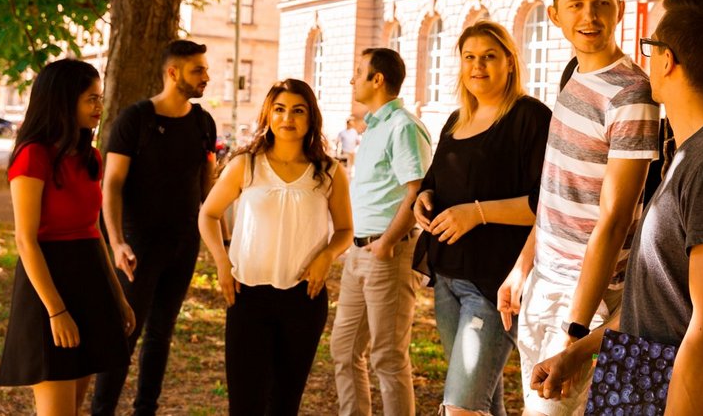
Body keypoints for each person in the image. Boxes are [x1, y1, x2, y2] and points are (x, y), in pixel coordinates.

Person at [531, 0, 703, 414]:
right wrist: (578, 352)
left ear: (666, 60)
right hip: (639, 384)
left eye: (647, 46)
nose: (642, 59)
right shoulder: (694, 155)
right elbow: (662, 302)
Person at [497, 0, 659, 415]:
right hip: (544, 282)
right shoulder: (573, 74)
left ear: (620, 8)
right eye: (576, 5)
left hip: (583, 297)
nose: (589, 17)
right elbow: (558, 189)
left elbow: (613, 217)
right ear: (555, 14)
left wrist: (576, 332)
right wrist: (522, 266)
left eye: (601, 3)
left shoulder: (632, 95)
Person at [414, 21, 552, 416]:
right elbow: (435, 180)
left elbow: (545, 202)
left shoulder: (531, 117)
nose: (478, 66)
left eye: (489, 56)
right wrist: (423, 198)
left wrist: (476, 214)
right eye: (470, 57)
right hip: (447, 278)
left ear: (509, 62)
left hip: (495, 284)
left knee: (459, 408)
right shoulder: (456, 120)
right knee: (482, 403)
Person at [198, 79, 353, 414]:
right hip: (247, 296)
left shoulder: (328, 172)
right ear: (268, 115)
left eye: (298, 110)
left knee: (284, 404)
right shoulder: (246, 165)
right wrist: (222, 263)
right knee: (245, 404)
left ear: (311, 118)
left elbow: (345, 230)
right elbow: (208, 214)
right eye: (280, 109)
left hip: (304, 298)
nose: (288, 118)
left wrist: (327, 255)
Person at [0, 59, 134, 415]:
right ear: (62, 100)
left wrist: (117, 297)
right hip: (48, 288)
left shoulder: (91, 157)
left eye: (100, 98)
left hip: (90, 283)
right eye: (91, 99)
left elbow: (94, 232)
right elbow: (25, 239)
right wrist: (56, 311)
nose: (99, 108)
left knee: (72, 408)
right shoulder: (33, 156)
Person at [92, 40, 217, 416]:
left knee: (161, 333)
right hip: (137, 246)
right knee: (125, 332)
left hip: (183, 245)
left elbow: (207, 188)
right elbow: (111, 184)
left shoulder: (203, 122)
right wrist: (116, 243)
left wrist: (222, 238)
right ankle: (102, 411)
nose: (206, 77)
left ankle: (146, 408)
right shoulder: (136, 119)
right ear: (173, 72)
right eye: (198, 70)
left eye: (205, 70)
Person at [331, 47, 432, 416]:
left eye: (359, 72)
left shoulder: (403, 125)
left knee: (388, 357)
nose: (352, 79)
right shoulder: (373, 126)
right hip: (359, 253)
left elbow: (418, 192)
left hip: (387, 253)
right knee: (343, 350)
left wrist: (387, 243)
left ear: (378, 79)